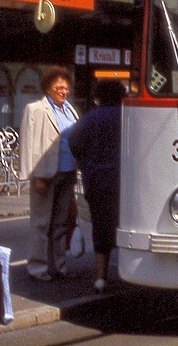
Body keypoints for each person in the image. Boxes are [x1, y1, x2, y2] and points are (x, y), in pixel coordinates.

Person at [18, 66, 79, 281]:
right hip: (45, 174)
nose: (63, 90)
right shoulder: (35, 110)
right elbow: (28, 144)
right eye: (58, 87)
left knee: (61, 223)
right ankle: (37, 267)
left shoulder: (70, 110)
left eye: (65, 87)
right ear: (48, 88)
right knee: (41, 223)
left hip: (67, 172)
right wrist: (35, 177)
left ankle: (58, 266)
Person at [66, 80, 124, 293]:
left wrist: (87, 163)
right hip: (125, 182)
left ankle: (101, 277)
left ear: (99, 96)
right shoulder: (129, 116)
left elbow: (73, 142)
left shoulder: (89, 119)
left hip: (97, 180)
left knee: (101, 227)